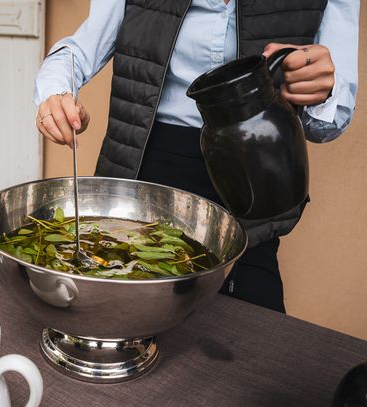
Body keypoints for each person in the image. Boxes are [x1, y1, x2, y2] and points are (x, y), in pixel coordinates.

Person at [34, 0, 359, 313]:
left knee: (252, 339)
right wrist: (56, 92)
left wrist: (322, 92)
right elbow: (81, 48)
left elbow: (327, 124)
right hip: (143, 175)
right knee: (119, 309)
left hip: (250, 189)